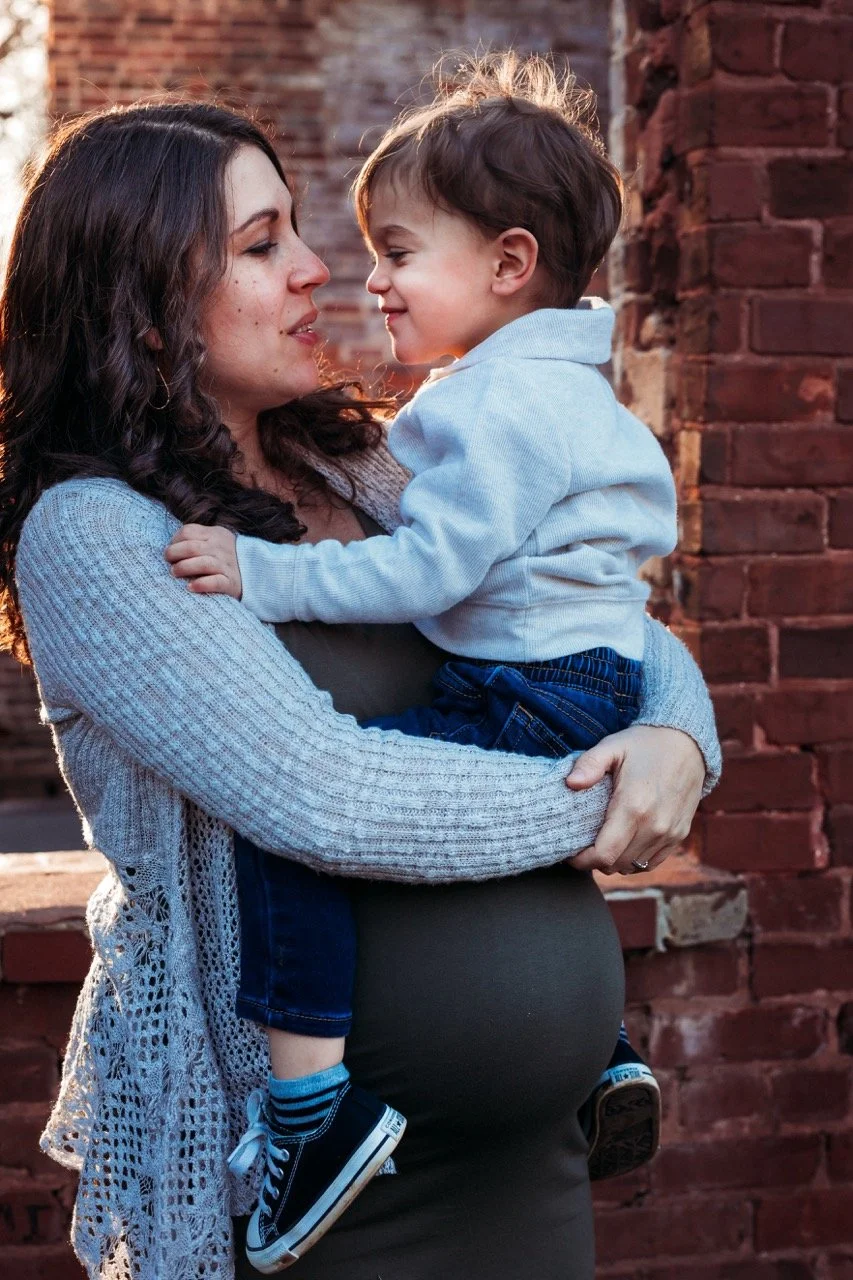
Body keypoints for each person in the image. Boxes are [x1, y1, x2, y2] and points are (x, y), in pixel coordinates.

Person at [0, 97, 720, 1280]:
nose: (317, 267)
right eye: (261, 242)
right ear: (141, 294)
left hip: (533, 1178)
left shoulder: (359, 465)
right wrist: (606, 795)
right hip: (339, 1225)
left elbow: (585, 608)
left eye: (297, 230)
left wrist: (681, 739)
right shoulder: (99, 534)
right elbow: (326, 797)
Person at [166, 52, 672, 1266]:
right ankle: (602, 1050)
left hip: (534, 690)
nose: (363, 279)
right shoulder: (546, 390)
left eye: (397, 252)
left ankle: (311, 1112)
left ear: (507, 263)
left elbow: (425, 572)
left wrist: (264, 573)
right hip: (562, 680)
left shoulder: (497, 408)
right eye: (271, 243)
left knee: (283, 839)